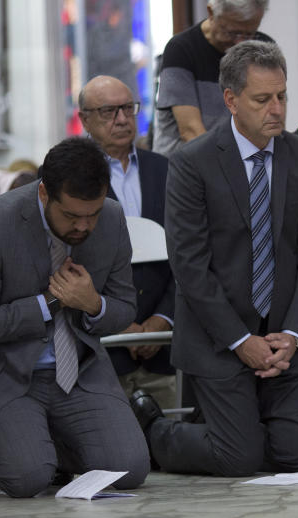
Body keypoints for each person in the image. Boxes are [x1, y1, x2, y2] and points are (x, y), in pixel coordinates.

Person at [130, 40, 298, 476]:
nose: (276, 109)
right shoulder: (193, 162)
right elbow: (190, 266)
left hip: (282, 338)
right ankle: (153, 429)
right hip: (220, 338)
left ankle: (235, 433)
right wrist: (241, 341)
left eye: (282, 96)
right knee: (238, 459)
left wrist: (292, 334)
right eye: (262, 99)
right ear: (231, 100)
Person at [0, 137, 150, 498]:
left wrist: (92, 303)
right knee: (28, 479)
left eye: (92, 214)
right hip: (5, 373)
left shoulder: (112, 216)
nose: (84, 226)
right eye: (72, 216)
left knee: (130, 470)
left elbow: (123, 308)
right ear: (44, 194)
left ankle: (40, 438)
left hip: (80, 373)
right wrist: (50, 303)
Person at [79, 75, 177, 410]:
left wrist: (163, 319)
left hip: (164, 344)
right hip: (99, 346)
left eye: (128, 108)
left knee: (171, 443)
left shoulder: (165, 170)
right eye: (108, 111)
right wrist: (119, 321)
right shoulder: (69, 176)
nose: (122, 119)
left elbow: (190, 255)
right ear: (85, 119)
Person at [153, 0, 271, 156]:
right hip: (184, 168)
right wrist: (235, 172)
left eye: (249, 33)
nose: (240, 42)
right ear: (211, 13)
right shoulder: (181, 50)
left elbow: (270, 120)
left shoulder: (263, 49)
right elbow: (191, 131)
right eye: (232, 32)